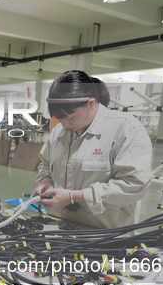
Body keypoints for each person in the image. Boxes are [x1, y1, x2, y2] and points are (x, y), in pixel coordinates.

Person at [33, 70, 152, 229]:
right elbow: (45, 163)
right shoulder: (59, 132)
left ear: (91, 103)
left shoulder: (126, 129)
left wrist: (75, 197)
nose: (66, 125)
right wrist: (45, 179)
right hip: (59, 227)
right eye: (60, 120)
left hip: (103, 235)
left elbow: (134, 184)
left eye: (71, 118)